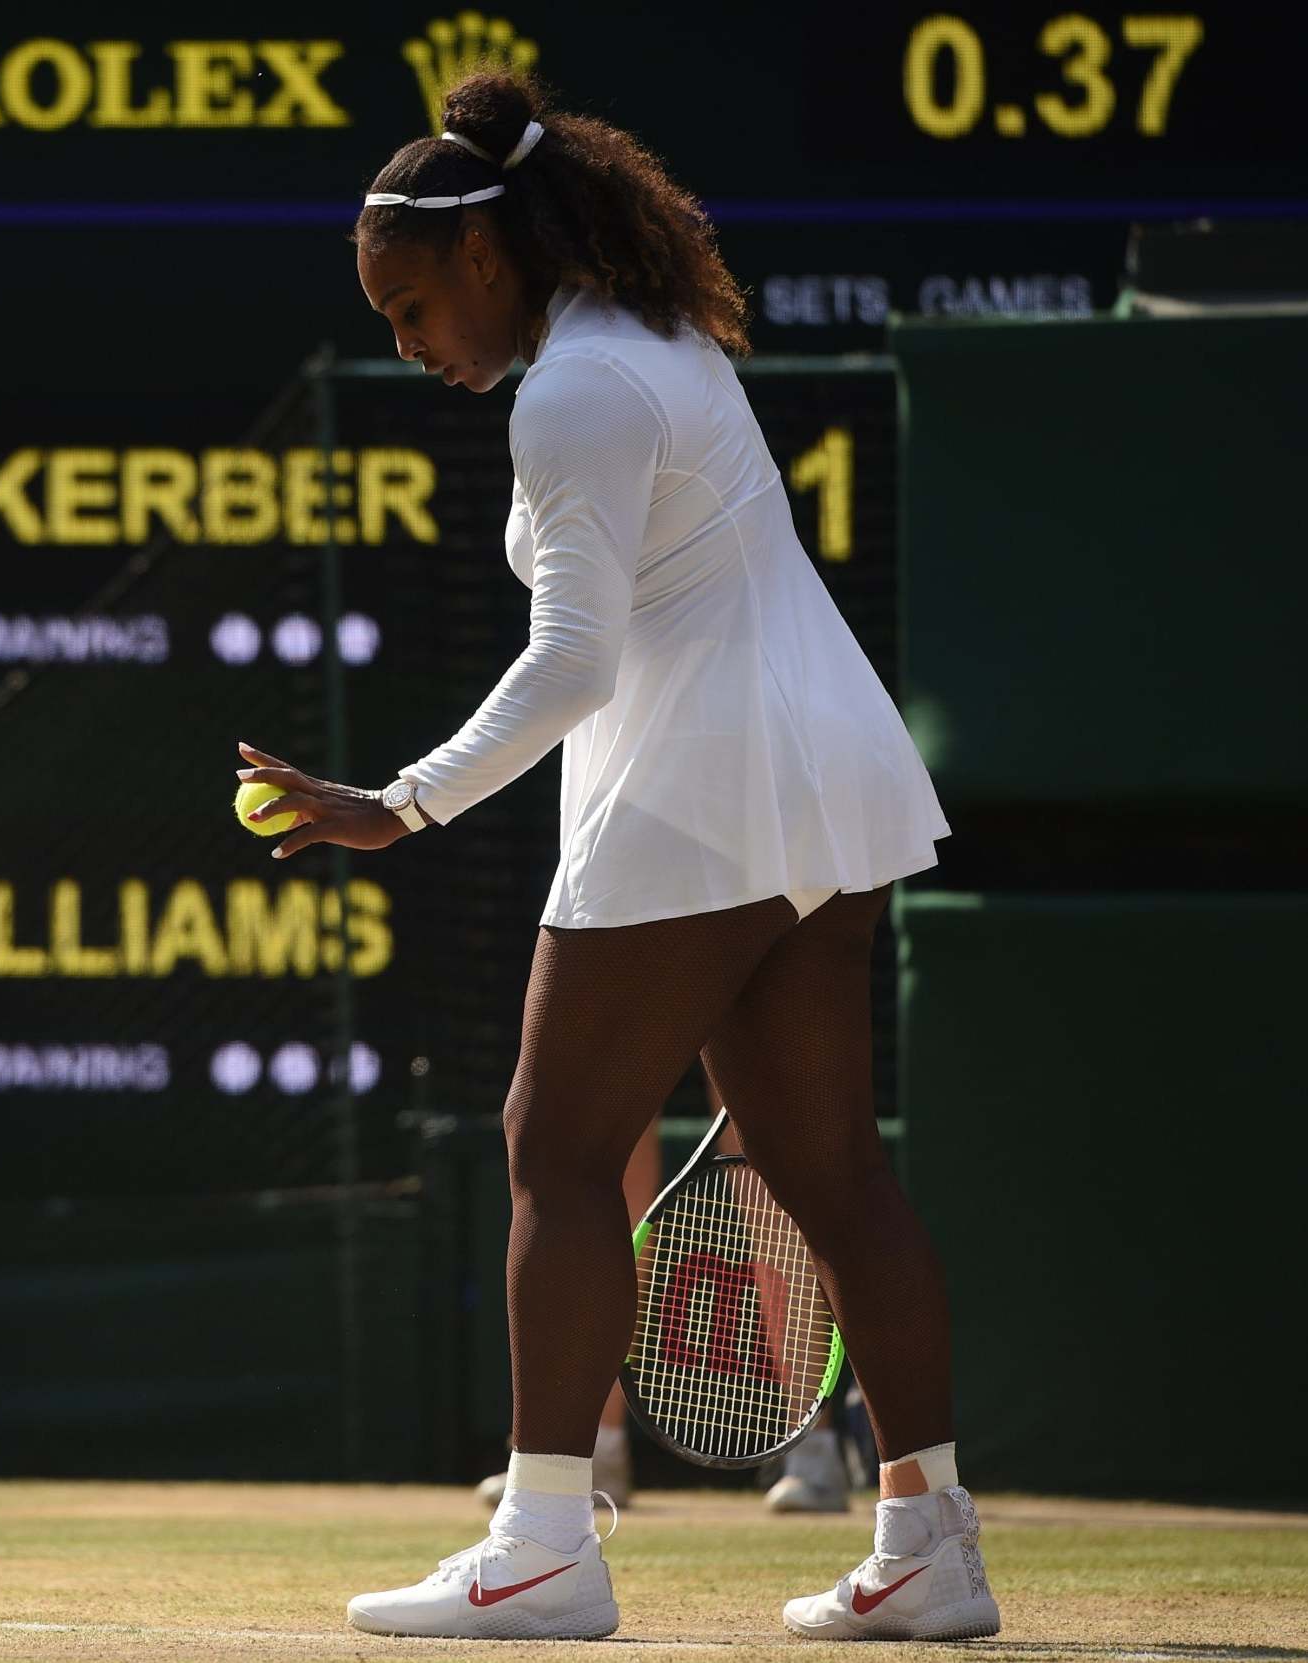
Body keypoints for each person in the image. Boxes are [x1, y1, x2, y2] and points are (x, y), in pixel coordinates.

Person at [231, 67, 997, 1643]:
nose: (411, 343)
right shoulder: (654, 341)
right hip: (819, 780)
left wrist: (403, 800)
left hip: (702, 791)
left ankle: (540, 1547)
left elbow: (572, 662)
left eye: (411, 305)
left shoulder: (572, 391)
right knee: (831, 1173)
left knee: (553, 1149)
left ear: (486, 258)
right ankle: (928, 1542)